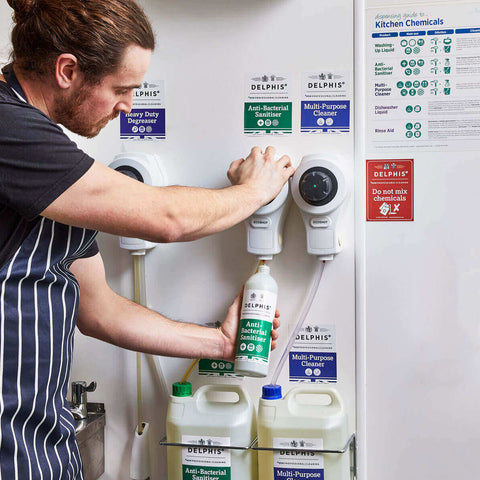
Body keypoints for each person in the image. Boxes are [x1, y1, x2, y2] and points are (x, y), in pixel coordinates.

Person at [0, 0, 295, 478]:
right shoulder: (7, 128)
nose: (128, 106)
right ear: (67, 70)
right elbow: (166, 218)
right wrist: (255, 191)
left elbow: (99, 309)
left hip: (42, 448)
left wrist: (219, 343)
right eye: (122, 89)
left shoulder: (54, 164)